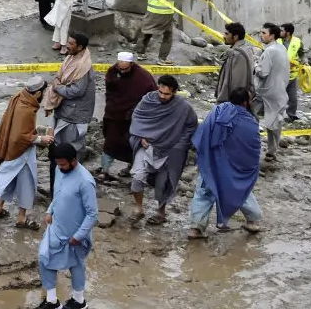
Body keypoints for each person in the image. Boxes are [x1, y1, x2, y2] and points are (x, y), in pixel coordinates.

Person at [33, 142, 97, 309]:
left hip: (74, 234)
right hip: (56, 227)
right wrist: (50, 210)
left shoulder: (85, 181)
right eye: (57, 164)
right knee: (44, 258)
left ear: (74, 161)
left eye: (63, 164)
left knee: (76, 265)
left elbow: (92, 214)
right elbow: (59, 193)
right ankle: (52, 301)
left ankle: (78, 300)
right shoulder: (60, 170)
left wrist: (78, 236)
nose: (60, 168)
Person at [189, 87, 263, 239]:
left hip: (211, 163)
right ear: (244, 103)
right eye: (249, 100)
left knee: (204, 192)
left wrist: (203, 157)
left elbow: (202, 134)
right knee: (240, 191)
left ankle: (195, 229)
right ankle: (253, 221)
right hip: (234, 168)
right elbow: (253, 149)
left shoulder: (217, 111)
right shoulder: (250, 122)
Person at [127, 75, 198, 225]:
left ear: (175, 92)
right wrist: (140, 138)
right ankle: (138, 208)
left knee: (164, 182)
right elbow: (137, 118)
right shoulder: (148, 100)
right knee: (137, 177)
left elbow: (191, 125)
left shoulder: (183, 106)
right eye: (161, 92)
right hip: (147, 147)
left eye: (167, 94)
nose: (162, 96)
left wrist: (180, 145)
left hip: (170, 150)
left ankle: (161, 212)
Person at [0, 78, 52, 227]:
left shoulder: (18, 97)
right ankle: (21, 218)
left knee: (9, 178)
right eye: (43, 93)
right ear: (38, 93)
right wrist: (40, 139)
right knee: (27, 182)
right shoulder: (26, 110)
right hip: (21, 152)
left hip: (9, 148)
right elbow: (21, 136)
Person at [42, 33, 95, 193]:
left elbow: (76, 91)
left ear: (80, 47)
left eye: (71, 43)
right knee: (58, 152)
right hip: (64, 112)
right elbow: (61, 78)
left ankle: (70, 188)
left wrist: (57, 88)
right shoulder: (72, 59)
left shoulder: (83, 67)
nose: (67, 45)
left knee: (71, 152)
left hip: (73, 117)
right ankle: (58, 187)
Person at [137, 0, 210, 65]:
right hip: (165, 15)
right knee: (167, 36)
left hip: (152, 13)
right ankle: (162, 59)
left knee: (146, 32)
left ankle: (140, 54)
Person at [100, 52, 156, 184]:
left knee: (132, 146)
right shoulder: (113, 72)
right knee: (110, 143)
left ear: (131, 64)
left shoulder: (143, 77)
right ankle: (104, 170)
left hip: (133, 119)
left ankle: (132, 168)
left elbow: (152, 97)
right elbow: (110, 91)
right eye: (120, 68)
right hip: (114, 115)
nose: (122, 71)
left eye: (125, 69)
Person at [253, 23, 290, 161]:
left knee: (251, 116)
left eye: (263, 33)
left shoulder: (269, 51)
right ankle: (271, 151)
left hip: (265, 92)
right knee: (274, 121)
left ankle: (251, 145)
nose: (261, 35)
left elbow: (263, 72)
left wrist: (255, 64)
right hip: (279, 90)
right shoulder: (281, 48)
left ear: (272, 35)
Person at [215, 23, 255, 105]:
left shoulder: (238, 54)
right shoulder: (242, 49)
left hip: (233, 102)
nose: (223, 36)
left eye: (227, 34)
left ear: (235, 37)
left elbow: (238, 83)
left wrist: (232, 103)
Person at [280, 23, 303, 122]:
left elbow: (302, 54)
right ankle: (275, 116)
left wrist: (304, 61)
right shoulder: (276, 41)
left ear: (287, 33)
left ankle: (291, 115)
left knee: (292, 97)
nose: (279, 32)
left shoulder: (297, 42)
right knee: (278, 96)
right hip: (279, 74)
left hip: (292, 74)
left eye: (282, 31)